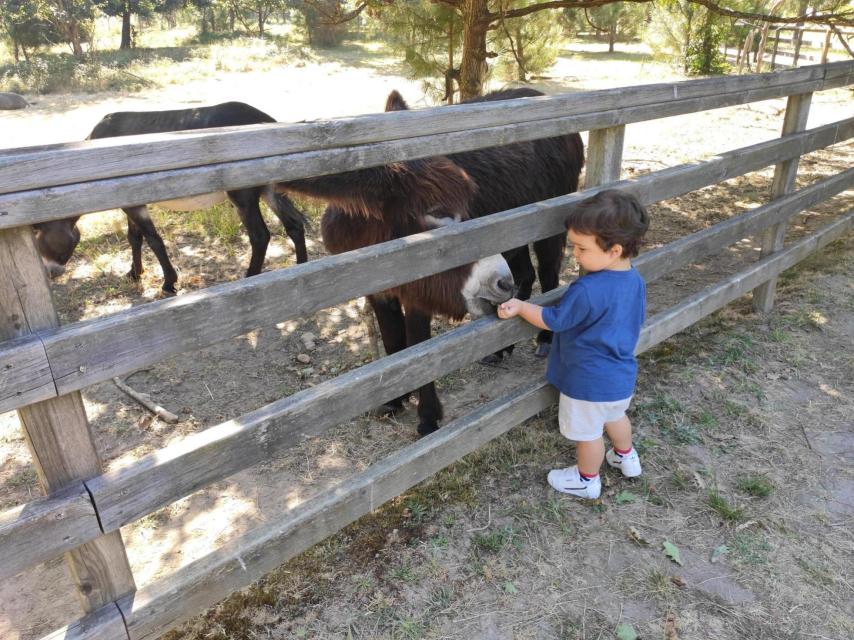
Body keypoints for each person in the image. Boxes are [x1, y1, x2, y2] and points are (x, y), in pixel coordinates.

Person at [497, 189, 650, 499]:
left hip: (587, 381)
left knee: (589, 435)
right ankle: (626, 456)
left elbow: (554, 320)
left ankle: (586, 480)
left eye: (581, 248)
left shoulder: (587, 290)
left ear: (614, 250)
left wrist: (523, 307)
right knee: (616, 417)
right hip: (621, 374)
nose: (575, 256)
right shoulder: (635, 280)